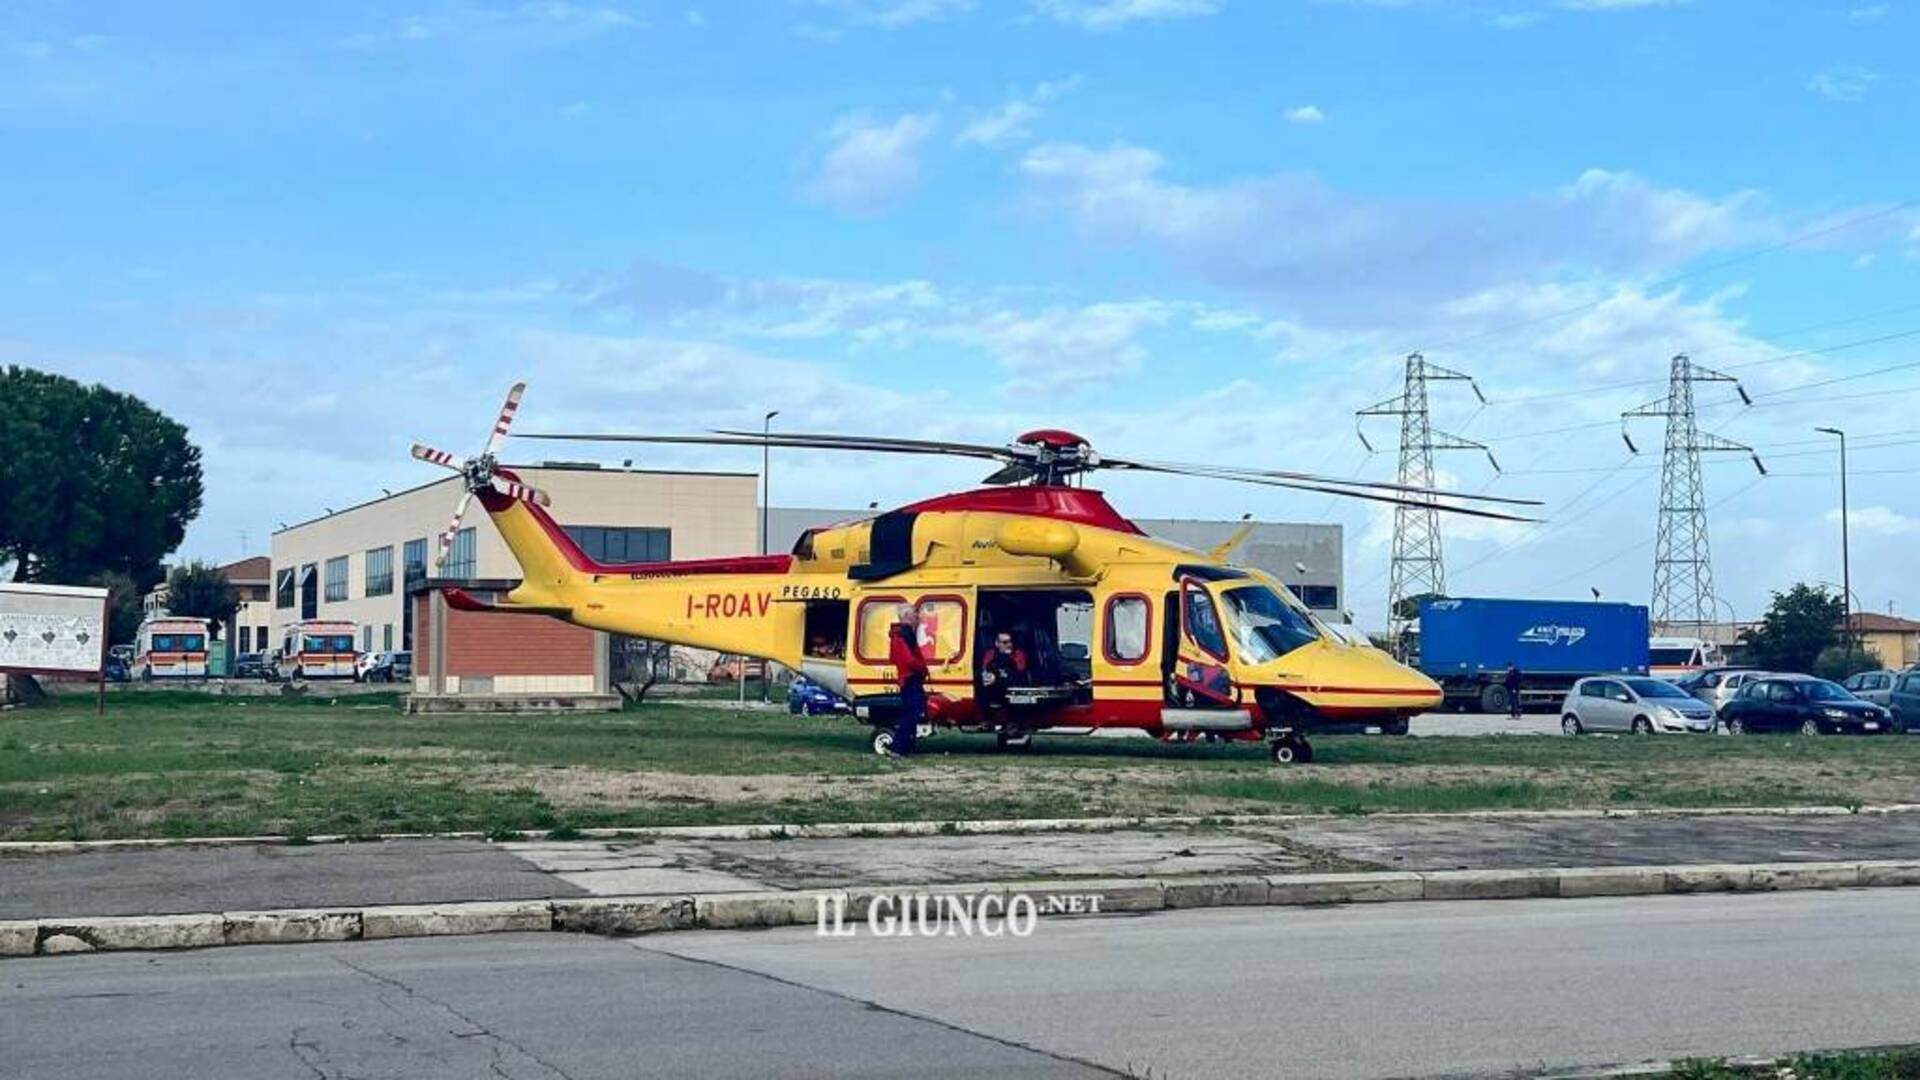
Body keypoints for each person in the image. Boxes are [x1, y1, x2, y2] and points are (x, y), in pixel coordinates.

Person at [887, 607, 929, 757]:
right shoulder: (902, 636)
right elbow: (909, 660)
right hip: (909, 678)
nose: (917, 616)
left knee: (913, 712)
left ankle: (904, 746)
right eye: (913, 614)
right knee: (910, 713)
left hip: (910, 678)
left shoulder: (905, 635)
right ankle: (897, 748)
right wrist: (923, 667)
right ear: (906, 616)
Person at [978, 630, 1030, 730]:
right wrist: (987, 676)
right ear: (997, 644)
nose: (1009, 645)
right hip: (995, 688)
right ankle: (986, 721)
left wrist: (1006, 657)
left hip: (1014, 687)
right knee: (982, 688)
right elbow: (984, 668)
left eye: (1010, 642)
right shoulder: (990, 654)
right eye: (1005, 642)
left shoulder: (1018, 654)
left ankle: (1013, 723)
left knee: (1014, 693)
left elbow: (1020, 671)